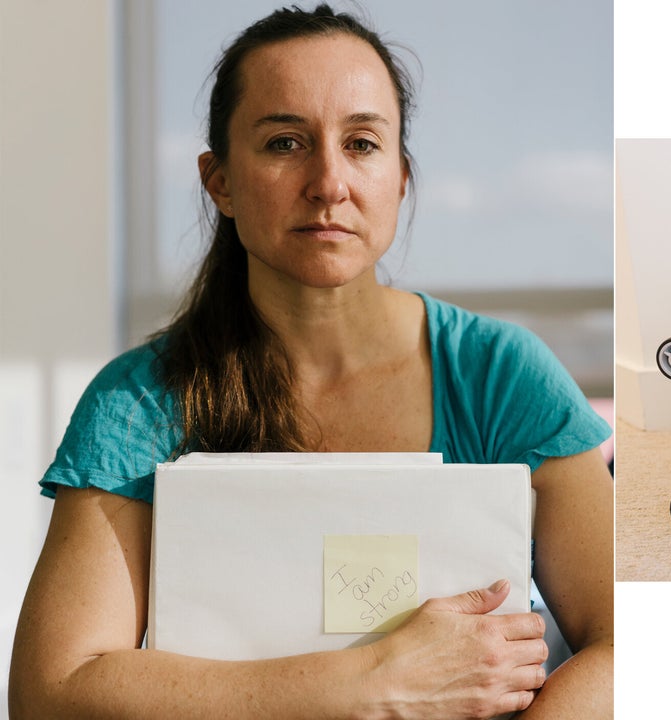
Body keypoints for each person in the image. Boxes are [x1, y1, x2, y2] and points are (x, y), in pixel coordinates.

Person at [8, 5, 613, 719]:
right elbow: (52, 691)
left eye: (361, 143)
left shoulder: (499, 372)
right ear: (220, 181)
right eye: (285, 143)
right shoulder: (140, 400)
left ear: (401, 178)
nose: (329, 182)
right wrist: (373, 683)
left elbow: (629, 643)